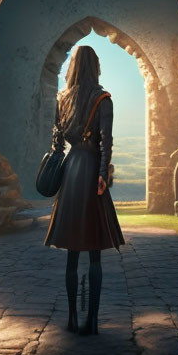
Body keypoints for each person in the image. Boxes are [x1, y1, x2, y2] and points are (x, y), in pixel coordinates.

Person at [44, 45, 125, 336]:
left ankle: (70, 318)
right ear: (96, 67)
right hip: (91, 170)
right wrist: (103, 174)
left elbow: (56, 143)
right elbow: (106, 142)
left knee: (72, 253)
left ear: (73, 67)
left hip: (70, 170)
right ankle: (91, 320)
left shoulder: (62, 99)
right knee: (94, 253)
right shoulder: (103, 99)